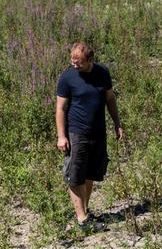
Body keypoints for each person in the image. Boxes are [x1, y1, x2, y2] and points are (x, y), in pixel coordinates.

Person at [55, 41, 124, 230]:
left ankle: (84, 210)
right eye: (72, 61)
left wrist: (117, 123)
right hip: (76, 133)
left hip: (98, 131)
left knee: (91, 173)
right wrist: (62, 136)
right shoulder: (67, 78)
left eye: (79, 62)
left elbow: (110, 98)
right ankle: (82, 220)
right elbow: (60, 108)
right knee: (75, 175)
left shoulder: (102, 73)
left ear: (90, 59)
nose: (74, 65)